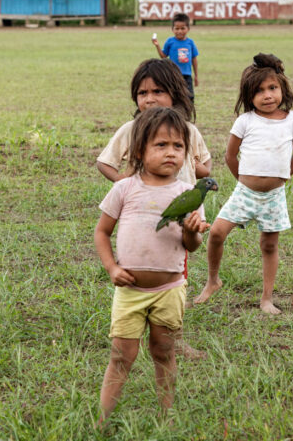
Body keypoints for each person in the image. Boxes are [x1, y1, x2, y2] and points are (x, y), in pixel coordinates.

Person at [95, 107, 210, 426]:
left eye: (178, 146)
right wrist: (111, 268)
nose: (171, 152)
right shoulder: (125, 188)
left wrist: (190, 231)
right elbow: (102, 232)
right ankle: (102, 421)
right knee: (121, 357)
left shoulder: (188, 193)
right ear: (139, 151)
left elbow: (191, 247)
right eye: (161, 145)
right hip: (130, 292)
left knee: (164, 351)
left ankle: (166, 417)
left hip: (170, 290)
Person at [96, 58, 211, 359]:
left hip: (181, 220)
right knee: (141, 269)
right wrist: (126, 184)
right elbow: (105, 162)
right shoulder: (132, 128)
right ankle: (132, 328)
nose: (149, 99)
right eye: (142, 93)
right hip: (142, 216)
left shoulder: (188, 130)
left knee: (177, 276)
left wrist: (189, 164)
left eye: (157, 91)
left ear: (175, 93)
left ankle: (172, 335)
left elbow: (206, 166)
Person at [194, 53, 293, 315]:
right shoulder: (245, 121)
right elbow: (230, 155)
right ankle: (213, 281)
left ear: (282, 88)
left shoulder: (291, 120)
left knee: (269, 244)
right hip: (245, 192)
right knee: (217, 232)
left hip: (275, 196)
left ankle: (266, 298)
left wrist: (283, 175)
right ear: (248, 96)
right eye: (259, 91)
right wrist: (243, 180)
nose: (267, 95)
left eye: (272, 88)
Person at [152, 13, 199, 100]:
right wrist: (157, 45)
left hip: (187, 75)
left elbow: (194, 59)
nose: (179, 31)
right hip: (173, 75)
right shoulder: (170, 41)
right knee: (174, 96)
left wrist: (196, 76)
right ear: (172, 29)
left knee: (189, 97)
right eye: (177, 28)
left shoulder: (190, 43)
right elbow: (163, 56)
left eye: (182, 28)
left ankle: (187, 113)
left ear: (188, 29)